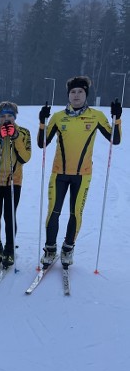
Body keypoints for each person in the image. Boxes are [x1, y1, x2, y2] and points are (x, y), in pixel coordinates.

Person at [37, 76, 122, 267]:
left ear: (86, 94)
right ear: (68, 95)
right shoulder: (59, 117)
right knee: (54, 212)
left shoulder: (96, 116)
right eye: (73, 92)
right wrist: (42, 122)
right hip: (59, 173)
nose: (76, 95)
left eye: (80, 92)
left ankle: (68, 248)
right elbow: (42, 143)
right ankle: (50, 249)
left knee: (76, 213)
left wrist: (117, 119)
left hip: (83, 175)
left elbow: (114, 140)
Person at [0, 102, 31, 268]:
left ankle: (9, 249)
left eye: (10, 116)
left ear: (15, 117)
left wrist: (15, 137)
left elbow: (25, 157)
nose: (6, 119)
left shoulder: (24, 133)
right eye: (3, 116)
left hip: (14, 180)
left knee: (10, 215)